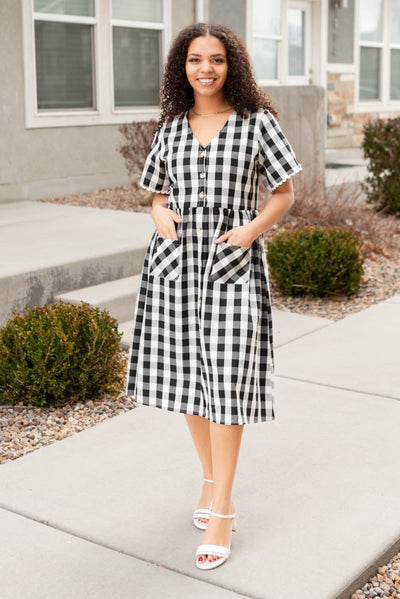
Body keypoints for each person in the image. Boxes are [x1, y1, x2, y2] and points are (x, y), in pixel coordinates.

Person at [125, 22, 302, 570]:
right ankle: (209, 480)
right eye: (196, 59)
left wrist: (249, 232)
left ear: (233, 66)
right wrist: (162, 216)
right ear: (183, 66)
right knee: (186, 378)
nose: (207, 68)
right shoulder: (171, 127)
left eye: (218, 59)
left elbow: (284, 192)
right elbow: (156, 196)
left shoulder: (257, 123)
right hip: (174, 266)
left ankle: (222, 506)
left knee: (225, 380)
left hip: (231, 263)